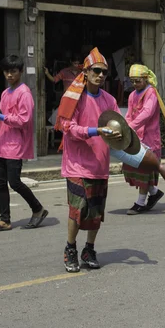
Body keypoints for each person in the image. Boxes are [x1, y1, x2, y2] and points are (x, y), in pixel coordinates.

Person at [55, 48, 122, 273]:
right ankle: (70, 247)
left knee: (95, 213)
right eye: (96, 70)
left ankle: (89, 249)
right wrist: (95, 131)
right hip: (76, 163)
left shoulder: (110, 100)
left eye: (104, 72)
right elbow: (67, 127)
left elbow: (119, 128)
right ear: (86, 71)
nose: (101, 75)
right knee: (77, 209)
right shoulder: (73, 97)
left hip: (100, 164)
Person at [0, 56, 48, 233]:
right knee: (0, 183)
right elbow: (0, 118)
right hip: (1, 144)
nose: (9, 74)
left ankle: (38, 209)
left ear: (20, 71)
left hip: (15, 144)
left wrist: (1, 117)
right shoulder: (5, 93)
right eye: (6, 71)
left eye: (13, 71)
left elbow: (23, 120)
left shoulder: (24, 92)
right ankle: (5, 220)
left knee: (15, 182)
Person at [122, 64, 165, 215]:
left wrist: (131, 126)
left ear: (146, 79)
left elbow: (147, 113)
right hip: (135, 137)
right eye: (132, 81)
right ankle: (154, 192)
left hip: (149, 139)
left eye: (138, 81)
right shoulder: (132, 95)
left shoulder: (151, 93)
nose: (135, 84)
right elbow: (128, 114)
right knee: (133, 168)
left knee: (144, 171)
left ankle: (140, 203)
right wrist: (125, 126)